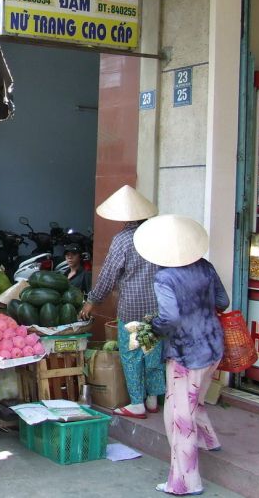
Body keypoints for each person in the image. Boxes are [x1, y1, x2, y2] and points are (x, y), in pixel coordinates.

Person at [133, 215, 228, 496]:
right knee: (194, 400)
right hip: (213, 346)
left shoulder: (165, 277)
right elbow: (223, 301)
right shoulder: (206, 267)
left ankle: (186, 482)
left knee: (179, 417)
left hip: (186, 354)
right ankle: (210, 441)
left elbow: (169, 318)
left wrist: (152, 327)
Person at [79, 185, 164, 418]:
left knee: (133, 353)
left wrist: (92, 301)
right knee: (152, 351)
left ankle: (136, 402)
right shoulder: (158, 235)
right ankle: (153, 398)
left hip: (133, 307)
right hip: (158, 307)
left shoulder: (123, 239)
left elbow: (108, 275)